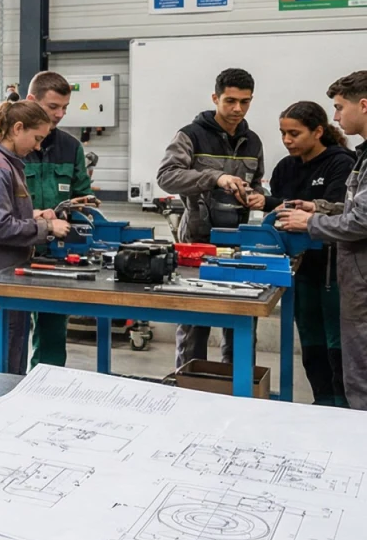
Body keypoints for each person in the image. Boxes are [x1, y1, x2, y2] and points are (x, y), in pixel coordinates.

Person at [156, 68, 265, 368]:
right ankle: (189, 383)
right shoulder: (190, 135)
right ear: (215, 98)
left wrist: (256, 196)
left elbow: (257, 182)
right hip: (197, 245)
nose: (237, 109)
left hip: (239, 247)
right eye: (230, 101)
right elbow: (167, 176)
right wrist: (215, 178)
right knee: (194, 325)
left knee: (241, 323)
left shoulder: (253, 141)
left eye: (245, 102)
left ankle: (236, 384)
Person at [278, 71, 367, 410]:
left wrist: (311, 221)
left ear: (363, 105)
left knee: (357, 369)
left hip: (356, 278)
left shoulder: (343, 160)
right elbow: (352, 208)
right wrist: (319, 207)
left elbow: (361, 220)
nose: (336, 117)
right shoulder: (362, 157)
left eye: (340, 107)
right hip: (349, 275)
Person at [0, 100, 70, 373]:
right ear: (17, 128)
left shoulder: (5, 164)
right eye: (36, 138)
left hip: (6, 268)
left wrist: (33, 215)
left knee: (11, 356)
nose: (37, 147)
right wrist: (47, 228)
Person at [261, 101, 353, 406]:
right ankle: (322, 403)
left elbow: (344, 214)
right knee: (311, 341)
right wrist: (263, 203)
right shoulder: (285, 167)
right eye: (283, 133)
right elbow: (280, 204)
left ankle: (344, 408)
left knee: (337, 343)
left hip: (335, 271)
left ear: (318, 132)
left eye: (294, 133)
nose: (287, 140)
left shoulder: (341, 163)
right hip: (300, 269)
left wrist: (310, 216)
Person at [22, 71, 95, 368]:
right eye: (53, 107)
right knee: (10, 334)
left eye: (65, 107)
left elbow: (83, 199)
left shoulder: (70, 147)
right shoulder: (10, 146)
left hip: (55, 256)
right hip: (14, 251)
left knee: (52, 334)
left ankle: (44, 386)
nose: (60, 114)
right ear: (31, 100)